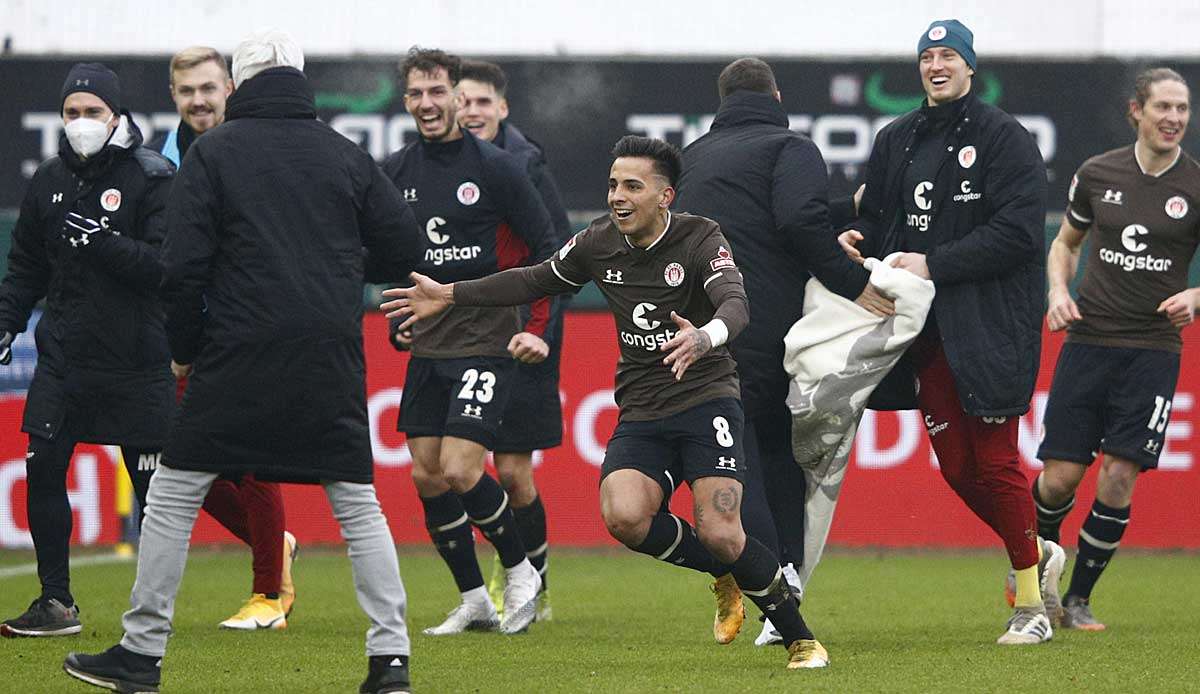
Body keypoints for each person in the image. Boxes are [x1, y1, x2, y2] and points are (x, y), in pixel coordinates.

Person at [384, 135, 832, 670]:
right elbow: (533, 280)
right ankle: (722, 573)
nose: (618, 195)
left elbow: (735, 303)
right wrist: (449, 293)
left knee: (720, 529)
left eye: (632, 186)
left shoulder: (700, 238)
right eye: (613, 184)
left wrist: (705, 337)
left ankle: (800, 638)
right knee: (624, 517)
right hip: (642, 409)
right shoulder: (597, 242)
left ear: (665, 195)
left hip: (707, 399)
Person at [61, 31, 422, 694]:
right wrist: (336, 270)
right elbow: (403, 247)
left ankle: (140, 656)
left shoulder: (215, 153)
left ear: (238, 82)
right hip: (327, 352)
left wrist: (184, 352)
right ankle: (390, 660)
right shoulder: (344, 154)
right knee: (357, 504)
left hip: (235, 351)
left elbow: (182, 269)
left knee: (171, 495)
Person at [837, 19, 1065, 645]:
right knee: (958, 469)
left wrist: (934, 263)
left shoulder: (1004, 137)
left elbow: (1021, 234)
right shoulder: (897, 137)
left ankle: (1030, 607)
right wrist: (854, 238)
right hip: (925, 331)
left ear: (970, 66)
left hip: (991, 324)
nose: (936, 66)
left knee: (994, 463)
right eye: (927, 56)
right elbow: (879, 215)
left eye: (948, 56)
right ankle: (1038, 551)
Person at [676, 56, 893, 646]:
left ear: (723, 100)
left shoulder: (692, 156)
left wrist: (842, 211)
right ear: (774, 93)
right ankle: (779, 586)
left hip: (698, 325)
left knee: (756, 453)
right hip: (764, 322)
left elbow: (761, 214)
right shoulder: (790, 147)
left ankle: (781, 583)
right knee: (768, 454)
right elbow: (796, 219)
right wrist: (853, 284)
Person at [382, 47, 555, 636]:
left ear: (458, 95)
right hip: (430, 343)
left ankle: (521, 571)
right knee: (426, 474)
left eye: (438, 91)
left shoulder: (498, 167)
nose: (427, 104)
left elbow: (548, 253)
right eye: (416, 94)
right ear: (405, 101)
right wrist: (396, 316)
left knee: (461, 468)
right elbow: (390, 257)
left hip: (486, 337)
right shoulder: (396, 171)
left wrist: (534, 328)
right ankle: (475, 599)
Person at [0, 63, 174, 638]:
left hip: (136, 360)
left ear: (116, 116)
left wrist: (103, 243)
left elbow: (165, 269)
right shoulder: (48, 177)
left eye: (92, 112)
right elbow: (25, 265)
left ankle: (150, 612)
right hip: (64, 359)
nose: (80, 123)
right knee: (44, 469)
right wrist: (7, 322)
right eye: (71, 113)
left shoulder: (153, 176)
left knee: (152, 494)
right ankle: (56, 603)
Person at [1032, 67, 1200, 631]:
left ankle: (1077, 599)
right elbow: (1065, 243)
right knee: (1059, 478)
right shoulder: (1097, 172)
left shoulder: (1196, 186)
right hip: (1089, 341)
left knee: (1120, 475)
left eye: (1183, 108)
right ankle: (1035, 572)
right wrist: (1058, 290)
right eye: (1164, 107)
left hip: (1153, 349)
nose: (1175, 118)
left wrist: (1196, 295)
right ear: (1137, 111)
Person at [149, 44, 298, 632]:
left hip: (253, 326)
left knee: (255, 462)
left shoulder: (254, 147)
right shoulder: (162, 158)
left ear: (231, 90)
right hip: (190, 331)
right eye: (187, 91)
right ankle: (275, 546)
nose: (198, 100)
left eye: (208, 88)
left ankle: (269, 597)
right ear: (174, 97)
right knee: (177, 461)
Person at [455, 58, 574, 620]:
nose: (472, 111)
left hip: (528, 329)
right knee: (456, 464)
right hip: (464, 330)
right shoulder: (439, 168)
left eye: (482, 102)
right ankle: (509, 576)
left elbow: (560, 254)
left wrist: (540, 329)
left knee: (512, 470)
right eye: (464, 101)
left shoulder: (525, 167)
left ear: (502, 108)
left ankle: (535, 587)